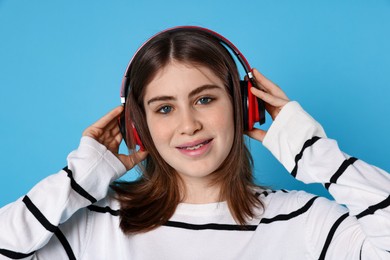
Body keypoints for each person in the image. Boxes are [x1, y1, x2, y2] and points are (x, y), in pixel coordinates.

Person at [0, 27, 389, 260]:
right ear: (139, 126)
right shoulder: (96, 224)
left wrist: (316, 154)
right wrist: (75, 181)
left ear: (243, 105)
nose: (188, 125)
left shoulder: (304, 221)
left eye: (205, 99)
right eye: (164, 108)